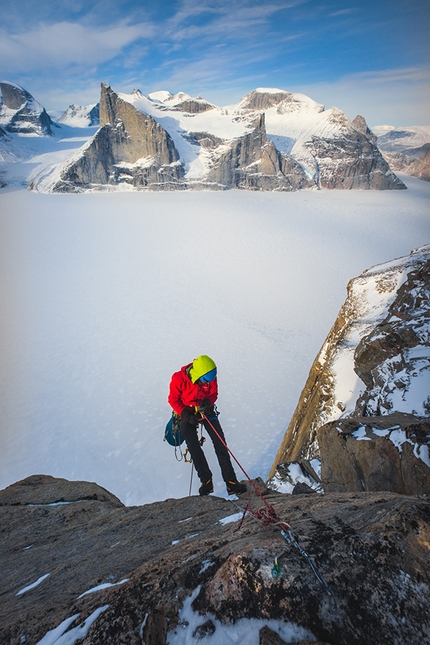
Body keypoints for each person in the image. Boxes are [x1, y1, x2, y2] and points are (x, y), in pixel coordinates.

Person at [168, 355, 247, 496]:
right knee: (194, 447)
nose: (208, 383)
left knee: (220, 443)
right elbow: (173, 399)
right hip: (187, 411)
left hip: (205, 410)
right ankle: (206, 481)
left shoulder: (209, 377)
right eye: (205, 380)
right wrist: (186, 414)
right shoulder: (179, 379)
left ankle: (231, 481)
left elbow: (213, 393)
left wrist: (208, 401)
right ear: (198, 374)